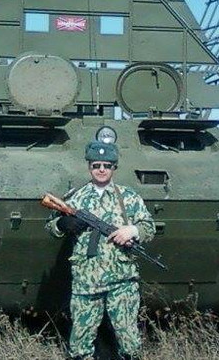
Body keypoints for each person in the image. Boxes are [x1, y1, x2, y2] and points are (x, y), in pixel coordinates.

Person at [46, 141, 155, 360]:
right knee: (80, 344)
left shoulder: (128, 197)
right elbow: (50, 225)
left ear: (114, 167)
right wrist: (63, 224)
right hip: (86, 281)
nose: (102, 170)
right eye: (96, 165)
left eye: (107, 165)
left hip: (122, 280)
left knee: (129, 343)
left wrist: (132, 230)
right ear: (89, 167)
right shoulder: (75, 197)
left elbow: (149, 227)